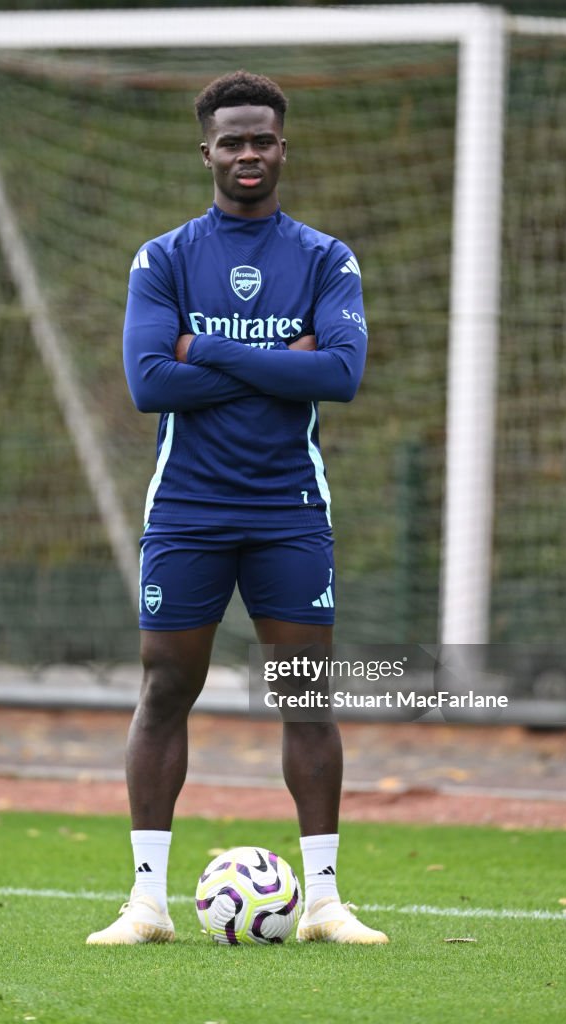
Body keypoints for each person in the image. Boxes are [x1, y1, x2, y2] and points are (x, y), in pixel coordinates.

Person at [86, 70, 387, 946]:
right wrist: (282, 360)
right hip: (188, 507)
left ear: (282, 148)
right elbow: (150, 384)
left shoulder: (326, 258)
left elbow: (341, 374)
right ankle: (147, 904)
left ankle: (324, 904)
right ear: (207, 151)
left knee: (306, 695)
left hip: (289, 507)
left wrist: (205, 349)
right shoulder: (164, 258)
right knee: (166, 687)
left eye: (262, 139)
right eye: (232, 141)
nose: (247, 153)